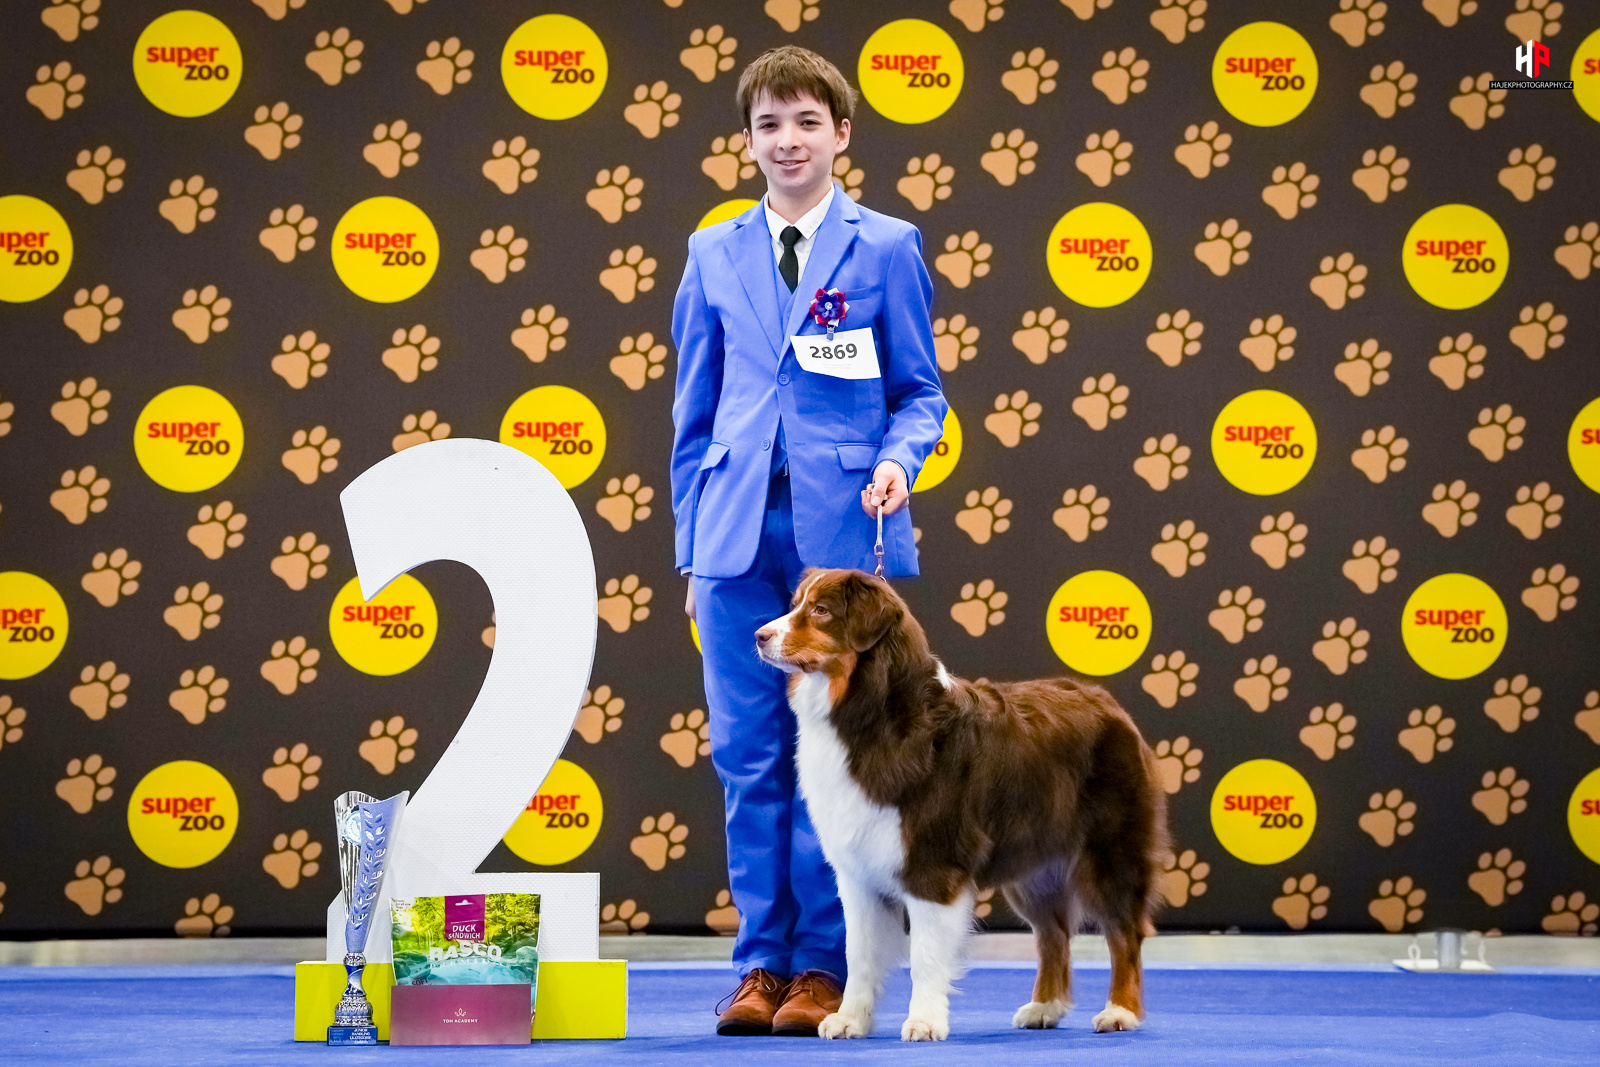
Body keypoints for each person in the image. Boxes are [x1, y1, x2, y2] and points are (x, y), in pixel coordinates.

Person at [669, 46, 947, 1036]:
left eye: (805, 122)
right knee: (748, 758)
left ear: (841, 133)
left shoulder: (888, 246)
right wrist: (692, 551)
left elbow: (919, 391)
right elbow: (693, 416)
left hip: (840, 547)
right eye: (768, 125)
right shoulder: (712, 252)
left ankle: (825, 968)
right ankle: (760, 964)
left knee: (839, 759)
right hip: (734, 538)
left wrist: (899, 460)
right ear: (748, 141)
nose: (786, 141)